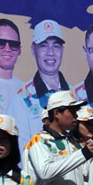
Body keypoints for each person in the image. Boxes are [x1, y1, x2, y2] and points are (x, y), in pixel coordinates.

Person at [8, 19, 72, 151]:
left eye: (56, 46)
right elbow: (22, 147)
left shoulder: (75, 94)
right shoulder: (22, 97)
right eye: (43, 45)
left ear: (62, 50)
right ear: (33, 49)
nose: (50, 52)